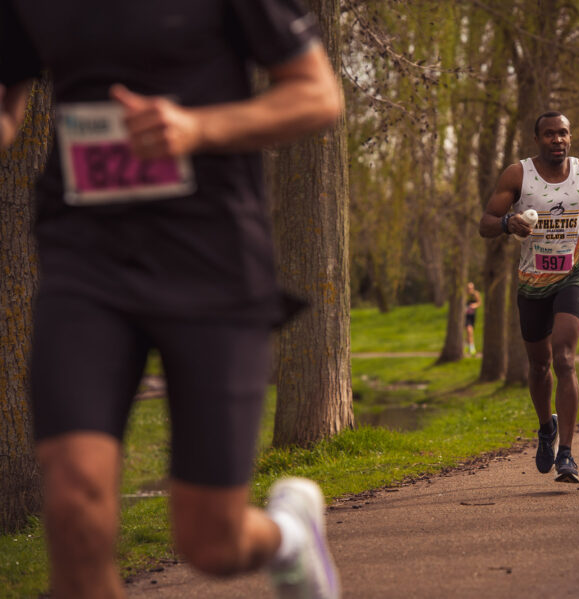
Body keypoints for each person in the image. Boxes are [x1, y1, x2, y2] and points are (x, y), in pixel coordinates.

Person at [1, 2, 343, 597]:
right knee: (74, 504)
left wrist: (196, 128)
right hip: (84, 259)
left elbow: (317, 95)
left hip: (211, 262)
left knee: (212, 542)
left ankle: (288, 537)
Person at [479, 111, 579, 484]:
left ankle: (567, 455)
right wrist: (508, 222)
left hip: (573, 273)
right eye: (550, 134)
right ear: (538, 138)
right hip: (531, 281)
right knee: (538, 367)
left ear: (571, 136)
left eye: (564, 133)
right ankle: (546, 429)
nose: (558, 139)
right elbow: (486, 222)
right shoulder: (517, 174)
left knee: (565, 358)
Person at [464, 281, 481, 356]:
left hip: (472, 315)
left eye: (471, 288)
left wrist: (474, 305)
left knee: (469, 332)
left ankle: (465, 345)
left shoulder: (475, 294)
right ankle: (472, 348)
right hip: (465, 316)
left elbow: (479, 302)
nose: (469, 289)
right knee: (469, 330)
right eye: (468, 288)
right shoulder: (465, 295)